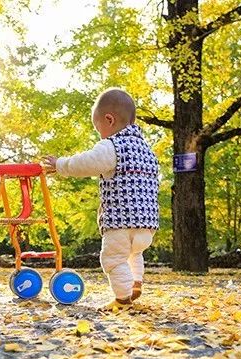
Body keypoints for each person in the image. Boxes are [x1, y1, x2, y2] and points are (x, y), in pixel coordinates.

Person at [42, 88, 159, 310]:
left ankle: (123, 298)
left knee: (113, 259)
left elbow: (87, 162)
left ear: (109, 120)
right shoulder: (147, 149)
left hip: (120, 221)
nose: (99, 135)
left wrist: (60, 165)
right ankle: (135, 283)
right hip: (147, 224)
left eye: (98, 129)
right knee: (135, 252)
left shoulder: (112, 146)